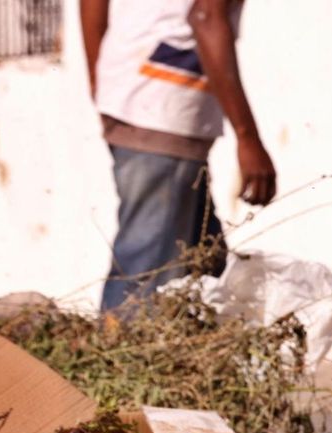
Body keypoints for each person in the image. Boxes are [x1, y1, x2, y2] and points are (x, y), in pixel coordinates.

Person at [82, 0, 275, 312]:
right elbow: (205, 16)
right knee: (144, 286)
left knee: (206, 271)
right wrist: (247, 138)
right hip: (161, 109)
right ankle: (115, 356)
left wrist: (100, 75)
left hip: (139, 99)